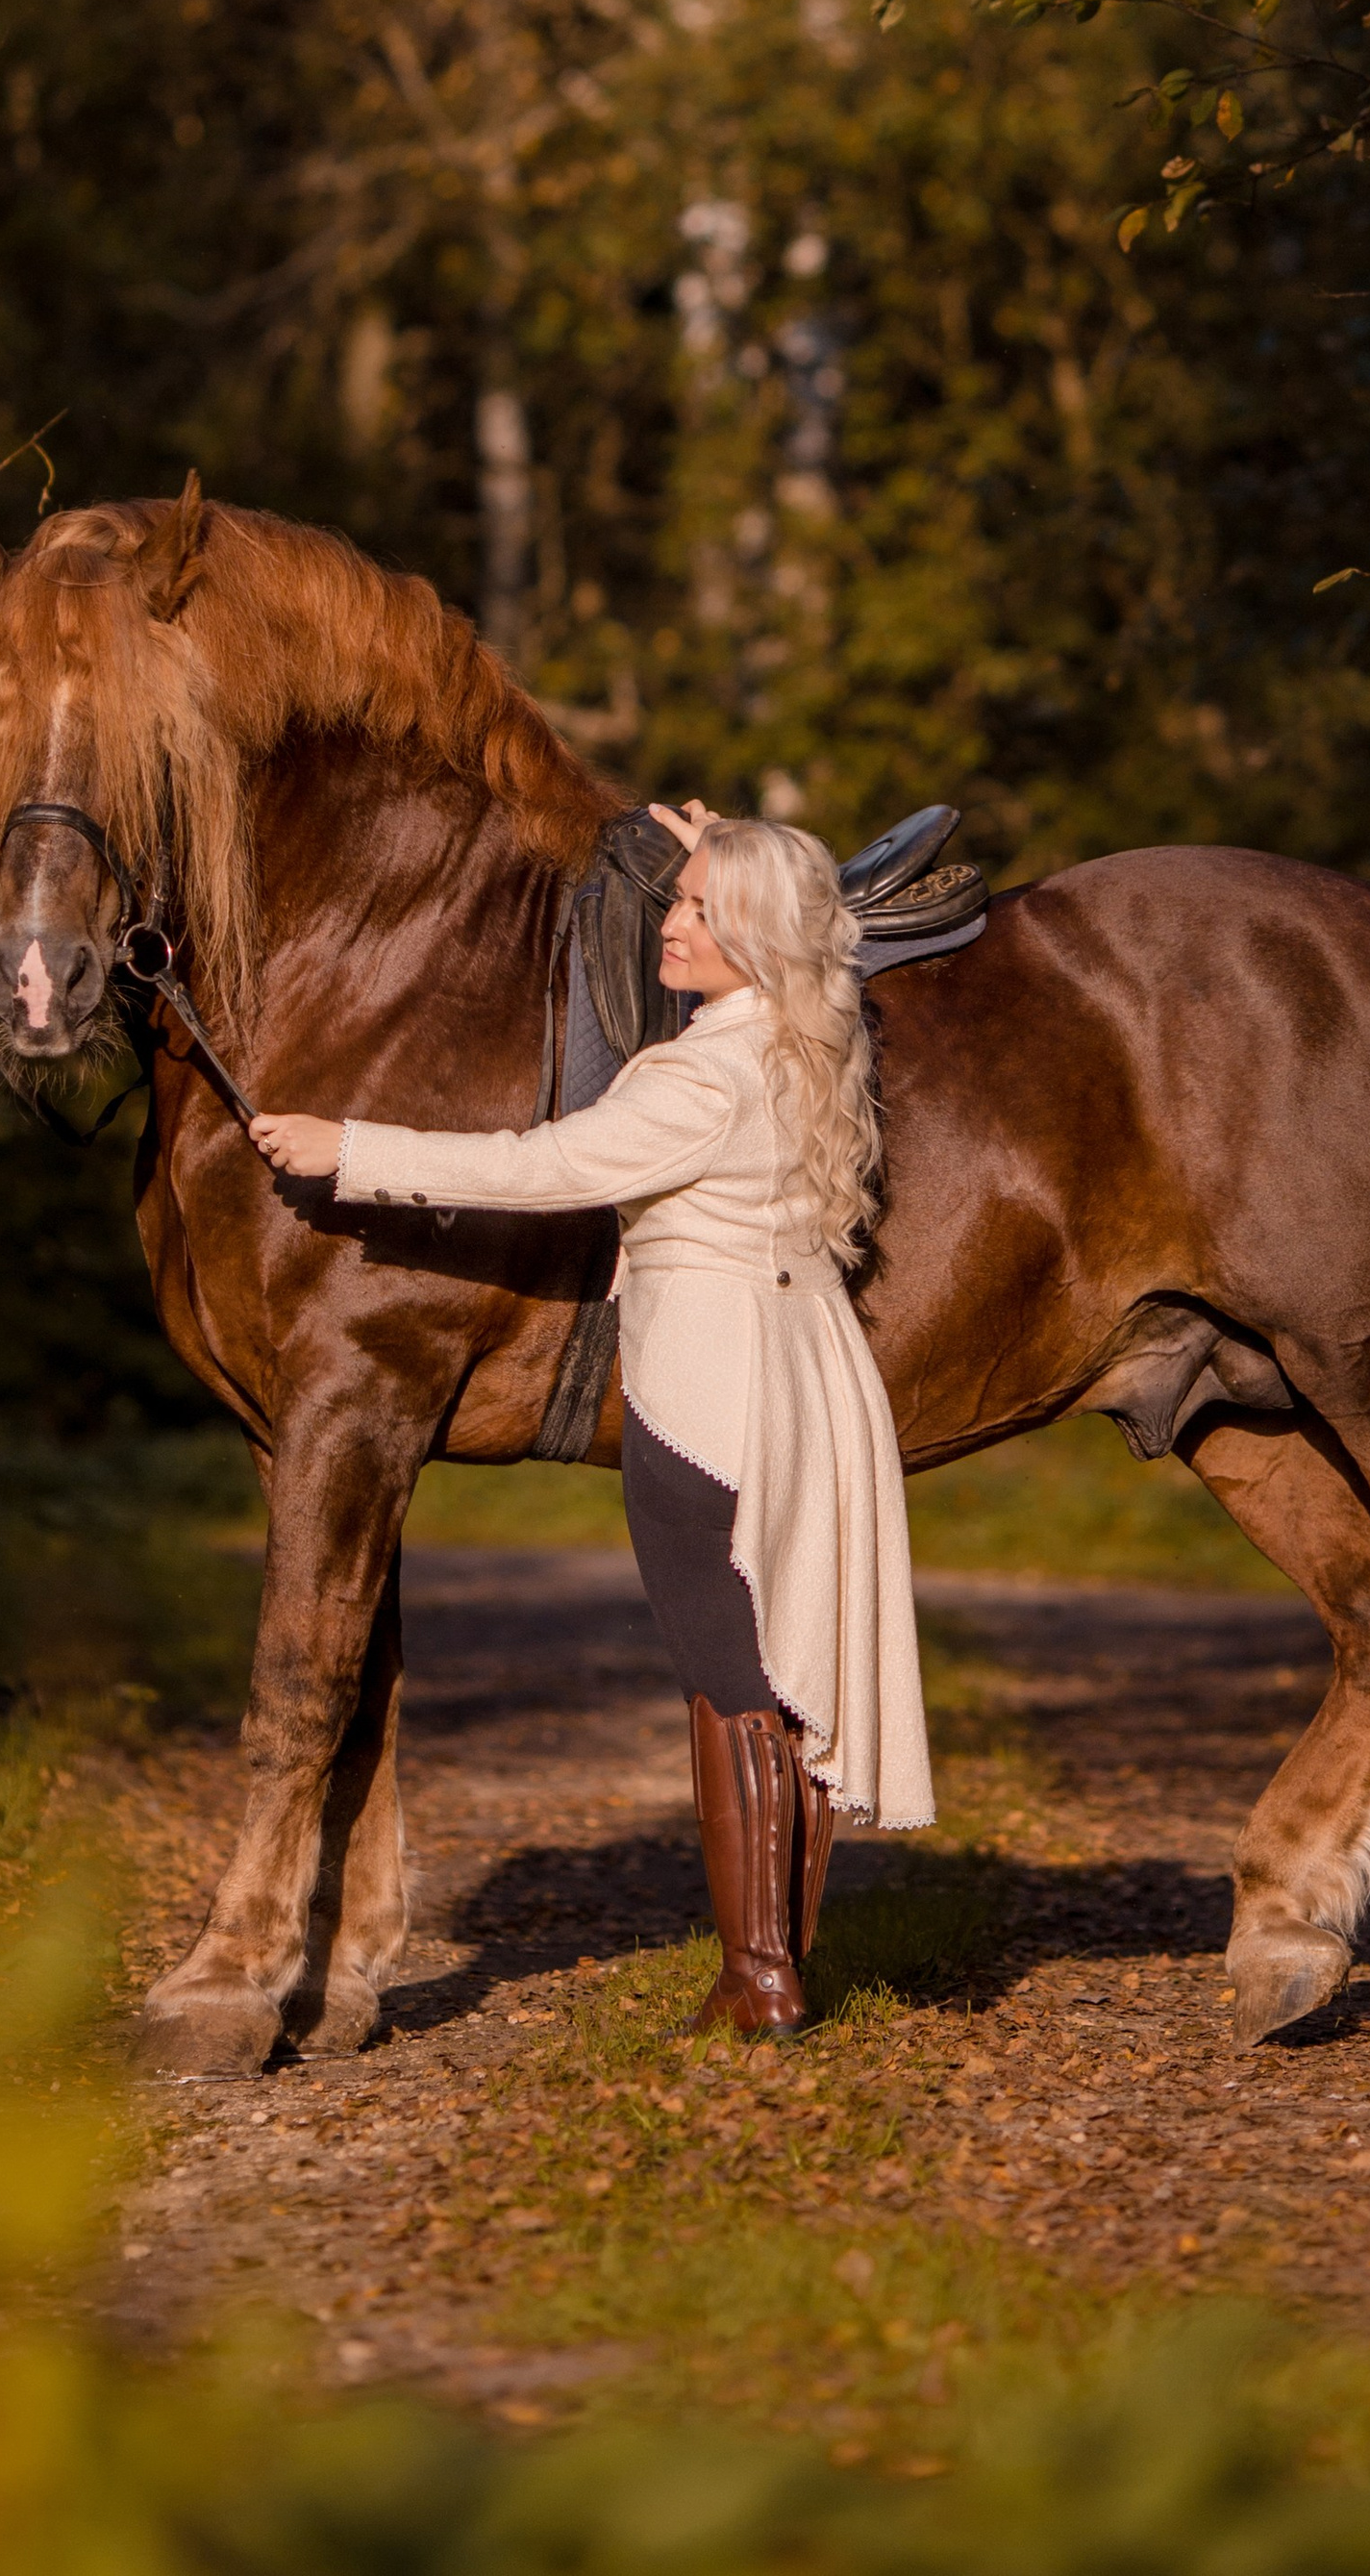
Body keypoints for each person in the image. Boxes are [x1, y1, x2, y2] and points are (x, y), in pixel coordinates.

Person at [248, 803, 933, 2040]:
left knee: (727, 1680)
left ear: (755, 937)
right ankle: (774, 1959)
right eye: (676, 902)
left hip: (708, 1390)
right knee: (787, 1676)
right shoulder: (809, 1038)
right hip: (811, 1375)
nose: (667, 925)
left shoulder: (696, 1075)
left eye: (695, 911)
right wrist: (735, 851)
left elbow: (538, 1167)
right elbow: (797, 937)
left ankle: (759, 1977)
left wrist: (341, 1147)